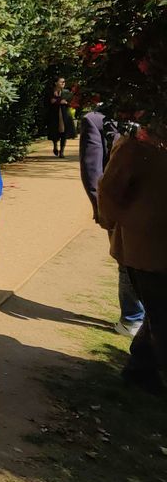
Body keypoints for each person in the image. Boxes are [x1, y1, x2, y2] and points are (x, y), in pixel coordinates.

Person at [98, 129, 167, 395]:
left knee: (158, 313)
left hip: (150, 246)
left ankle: (140, 368)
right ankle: (144, 370)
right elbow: (109, 190)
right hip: (146, 248)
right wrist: (111, 224)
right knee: (161, 313)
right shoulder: (139, 143)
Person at [79, 107, 144, 337]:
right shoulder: (96, 119)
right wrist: (102, 209)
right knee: (127, 260)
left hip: (151, 201)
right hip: (120, 204)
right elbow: (92, 169)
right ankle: (132, 318)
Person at [47, 77, 76, 158]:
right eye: (61, 82)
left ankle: (62, 151)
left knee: (64, 133)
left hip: (64, 115)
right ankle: (55, 146)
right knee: (54, 131)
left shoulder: (67, 92)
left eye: (64, 82)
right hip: (53, 115)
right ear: (56, 83)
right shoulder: (50, 92)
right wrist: (60, 101)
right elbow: (49, 102)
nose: (63, 83)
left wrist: (60, 101)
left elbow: (71, 102)